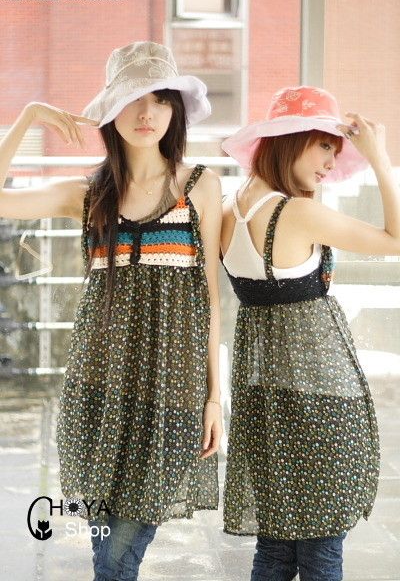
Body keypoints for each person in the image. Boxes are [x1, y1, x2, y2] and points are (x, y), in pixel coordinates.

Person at [0, 41, 222, 581]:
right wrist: (28, 117)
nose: (147, 113)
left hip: (171, 389)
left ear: (175, 111)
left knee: (121, 549)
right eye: (132, 99)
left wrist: (215, 397)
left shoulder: (200, 187)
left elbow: (211, 299)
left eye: (160, 100)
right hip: (98, 389)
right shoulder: (89, 194)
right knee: (109, 549)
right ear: (111, 110)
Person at [220, 85, 400, 581]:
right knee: (322, 547)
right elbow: (397, 238)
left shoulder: (231, 208)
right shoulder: (296, 214)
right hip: (320, 395)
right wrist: (380, 159)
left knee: (275, 546)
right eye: (324, 145)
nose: (329, 163)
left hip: (262, 394)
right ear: (290, 139)